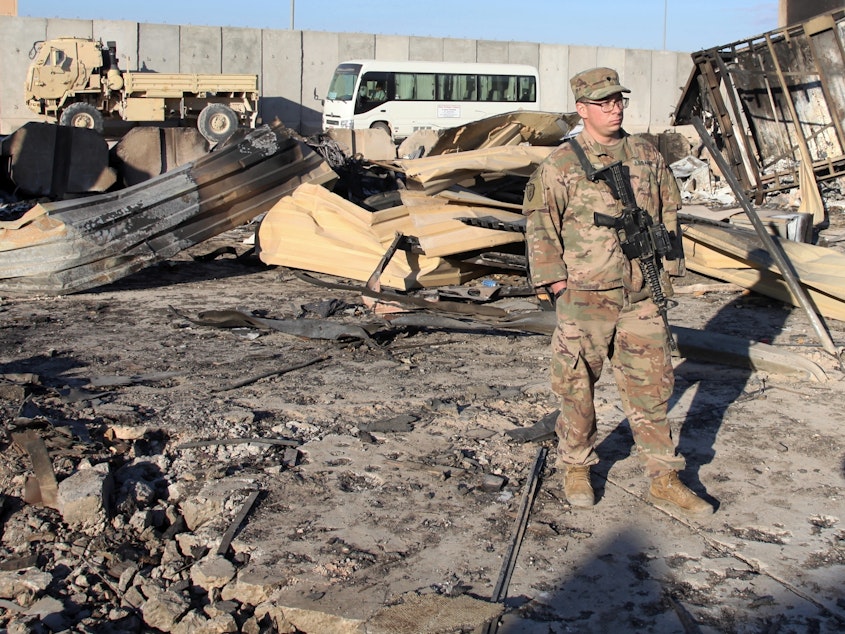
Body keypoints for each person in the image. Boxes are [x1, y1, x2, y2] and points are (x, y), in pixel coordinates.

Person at [522, 67, 714, 517]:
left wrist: (669, 266)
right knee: (576, 384)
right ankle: (577, 465)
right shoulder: (561, 164)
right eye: (604, 102)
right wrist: (555, 281)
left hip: (642, 294)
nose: (614, 108)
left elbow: (669, 212)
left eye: (618, 100)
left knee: (652, 385)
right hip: (585, 293)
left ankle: (664, 476)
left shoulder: (646, 154)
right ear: (582, 109)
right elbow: (539, 224)